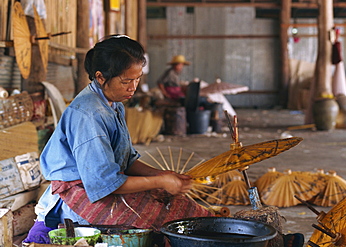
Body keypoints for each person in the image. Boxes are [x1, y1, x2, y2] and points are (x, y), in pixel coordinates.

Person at [23, 35, 211, 244]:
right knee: (164, 223)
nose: (133, 87)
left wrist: (162, 174)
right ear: (100, 77)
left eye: (137, 79)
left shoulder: (114, 104)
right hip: (80, 196)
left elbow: (126, 159)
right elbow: (105, 182)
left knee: (182, 209)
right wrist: (159, 181)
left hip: (102, 185)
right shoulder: (89, 114)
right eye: (126, 81)